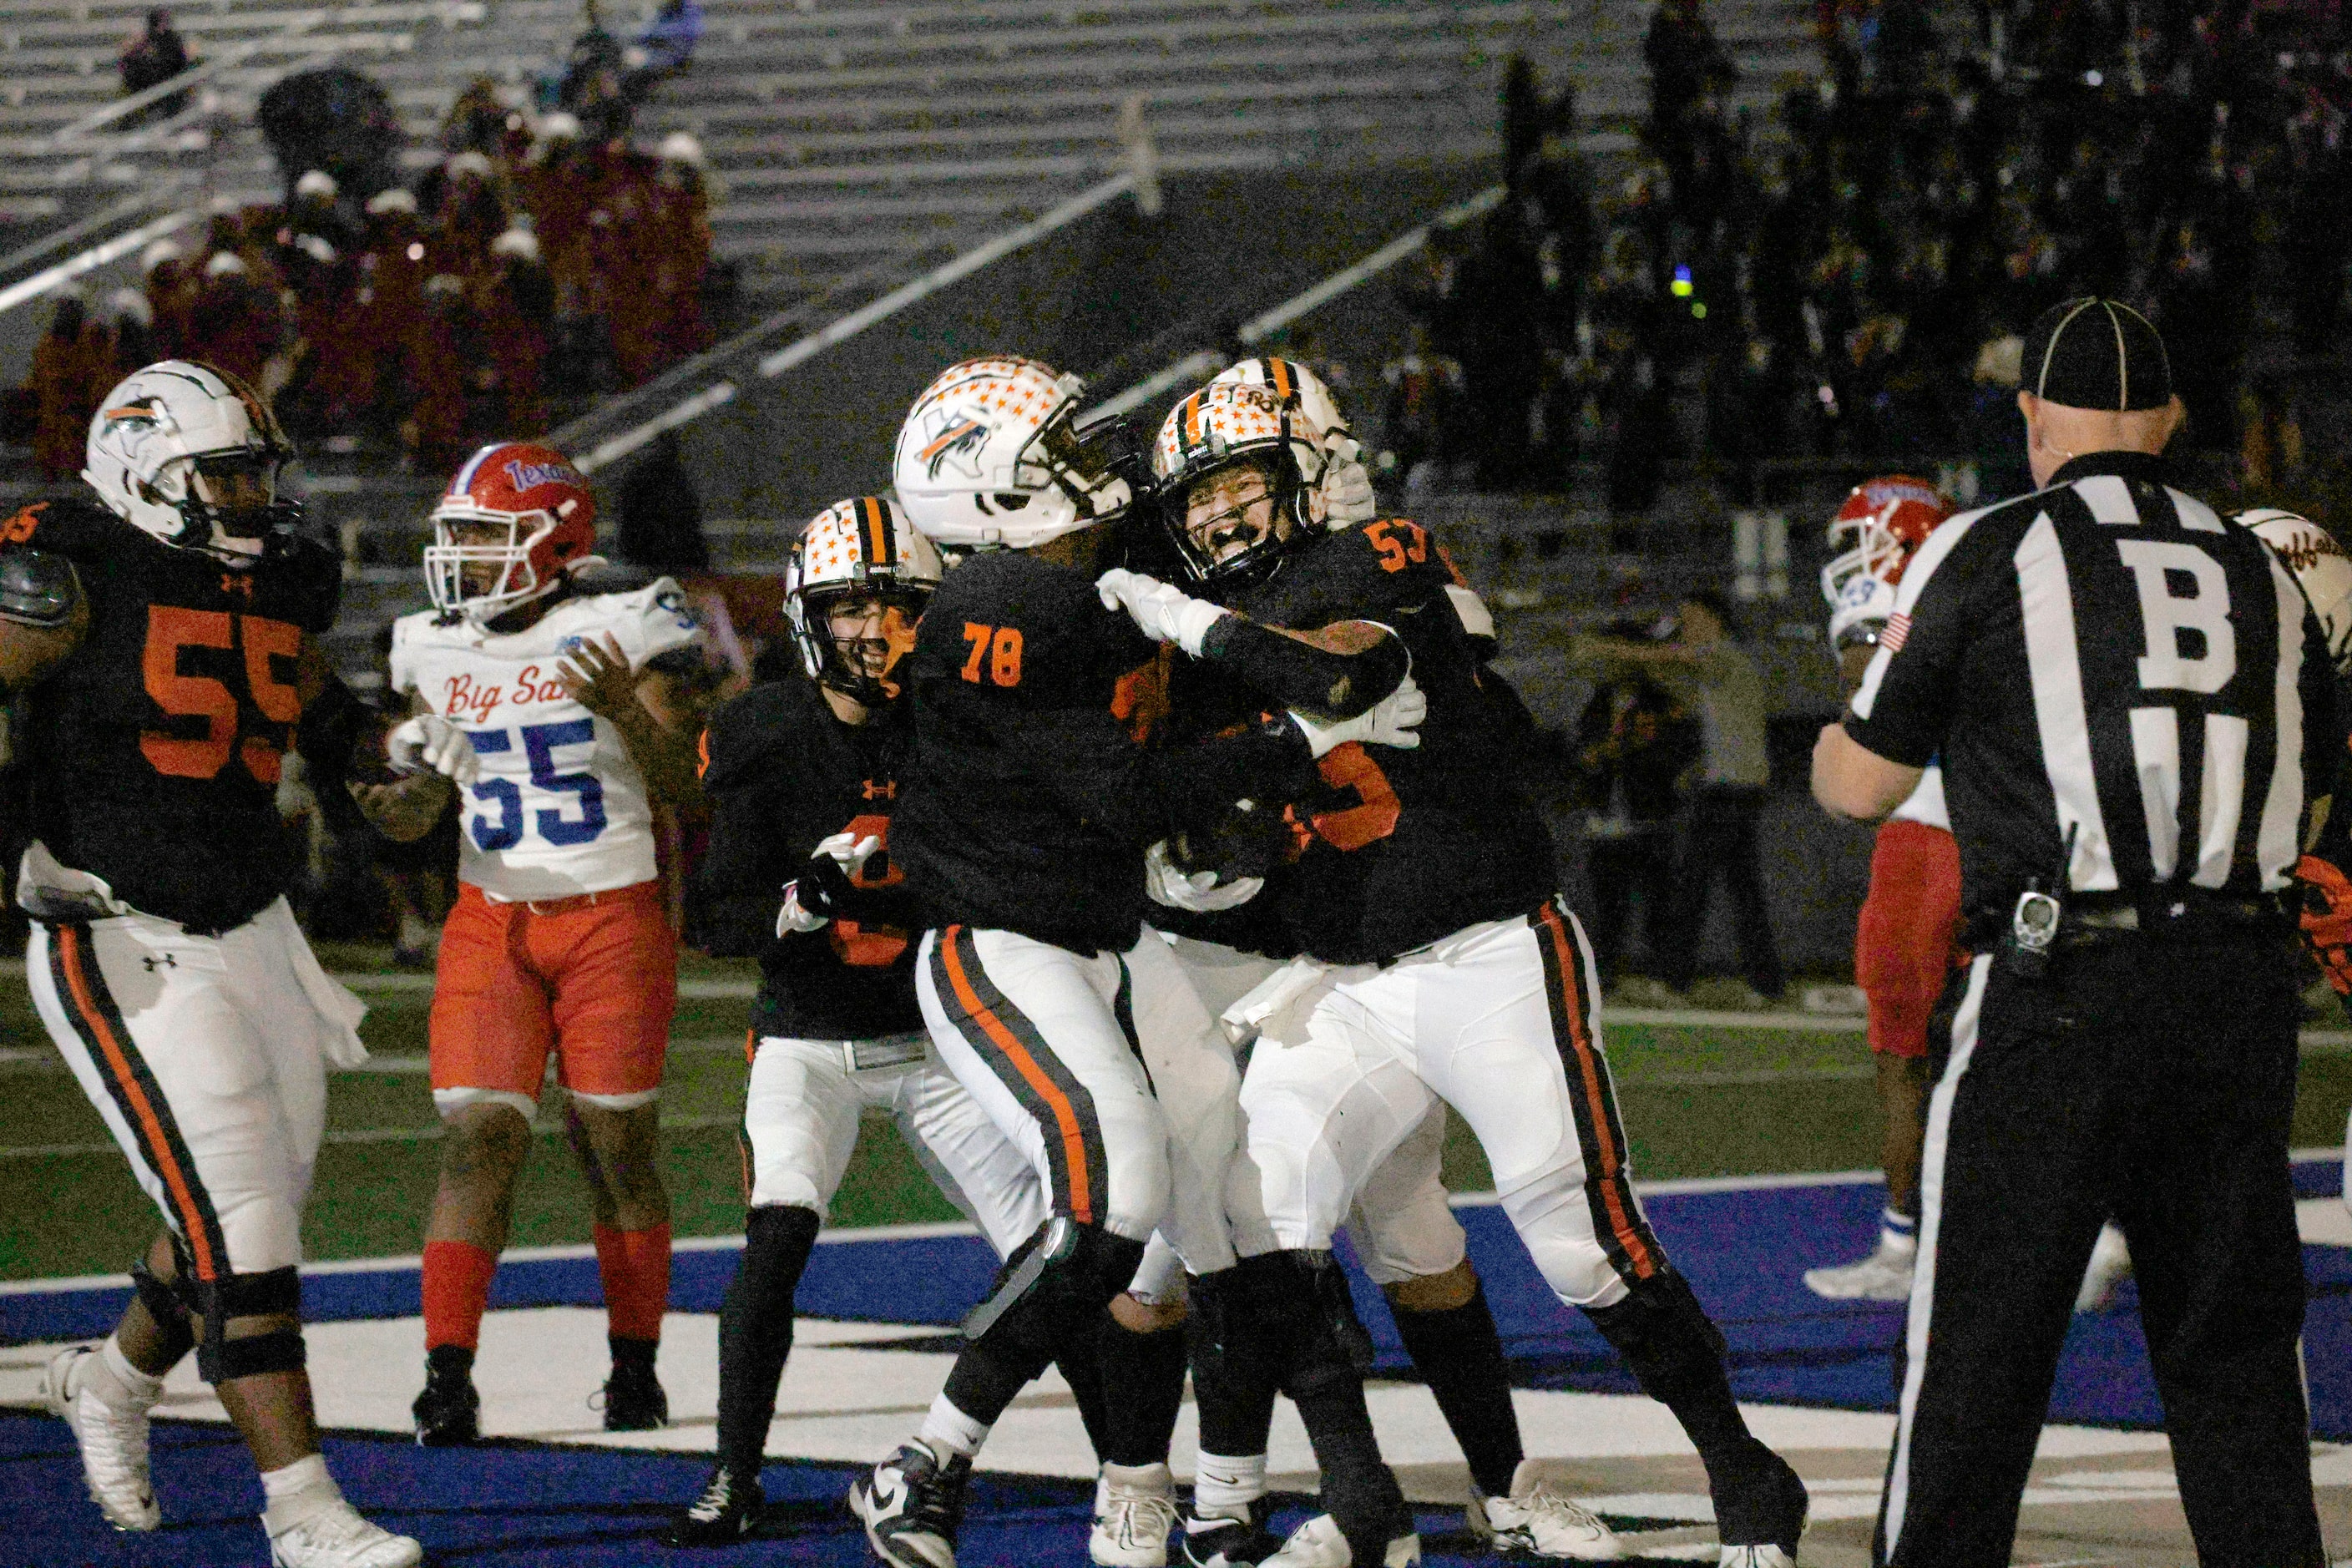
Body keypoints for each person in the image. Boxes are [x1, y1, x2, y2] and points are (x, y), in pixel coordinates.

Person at [1098, 374, 1808, 1567]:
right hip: (1342, 976)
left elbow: (1338, 677)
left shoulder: (1367, 556)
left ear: (1299, 474)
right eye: (1196, 497)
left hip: (1490, 949)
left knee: (1579, 1241)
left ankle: (1748, 1471)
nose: (1217, 515)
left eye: (1236, 481)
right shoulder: (1203, 645)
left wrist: (1178, 621)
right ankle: (1362, 1502)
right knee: (1257, 1215)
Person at [847, 356, 1421, 1568]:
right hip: (1002, 943)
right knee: (1118, 1195)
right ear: (995, 500)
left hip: (1114, 936)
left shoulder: (1099, 564)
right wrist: (1293, 734)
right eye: (1056, 450)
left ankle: (1220, 1502)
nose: (1093, 461)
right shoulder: (990, 611)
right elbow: (1126, 798)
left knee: (1238, 1195)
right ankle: (924, 1460)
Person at [1813, 297, 2333, 1565]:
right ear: (2168, 424)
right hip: (2237, 990)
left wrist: (1862, 734)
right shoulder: (2265, 565)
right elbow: (2309, 797)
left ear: (2032, 421)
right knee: (2239, 1372)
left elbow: (1861, 785)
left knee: (1972, 1366)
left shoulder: (1991, 548)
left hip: (2060, 987)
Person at [1136, 360, 1632, 1565]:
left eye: (1327, 437)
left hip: (1340, 951)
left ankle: (1488, 1479)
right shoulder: (1181, 607)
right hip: (1204, 944)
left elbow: (1488, 712)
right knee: (1165, 1249)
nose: (1340, 453)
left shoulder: (1380, 566)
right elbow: (1152, 778)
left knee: (1404, 1226)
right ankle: (1163, 1478)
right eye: (1318, 434)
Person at [11, 361, 420, 1566]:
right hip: (123, 931)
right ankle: (301, 1507)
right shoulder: (73, 563)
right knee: (241, 1219)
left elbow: (295, 685)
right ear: (143, 474)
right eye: (225, 477)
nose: (252, 500)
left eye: (256, 474)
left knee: (237, 1215)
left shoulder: (277, 576)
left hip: (257, 924)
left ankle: (112, 1377)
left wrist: (377, 775)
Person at [668, 497, 1119, 1546]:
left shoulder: (954, 719)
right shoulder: (763, 730)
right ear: (807, 614)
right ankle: (734, 1477)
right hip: (807, 1038)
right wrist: (801, 898)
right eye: (851, 606)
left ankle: (1127, 1471)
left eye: (896, 605)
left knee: (1061, 1248)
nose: (875, 628)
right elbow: (720, 918)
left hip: (936, 1037)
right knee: (777, 1236)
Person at [358, 442, 711, 1446]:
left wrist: (617, 713)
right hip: (490, 916)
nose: (464, 559)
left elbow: (688, 789)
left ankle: (635, 1364)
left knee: (616, 1148)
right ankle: (445, 1375)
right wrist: (405, 799)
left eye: (486, 537)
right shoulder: (429, 643)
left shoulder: (624, 625)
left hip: (611, 914)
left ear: (554, 541)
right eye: (459, 537)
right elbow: (410, 810)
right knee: (479, 1135)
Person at [1803, 477, 1960, 1301]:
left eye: (1858, 540)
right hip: (2000, 840)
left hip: (1922, 840)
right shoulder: (1983, 591)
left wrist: (1864, 630)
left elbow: (1867, 717)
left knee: (1903, 1062)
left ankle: (1903, 1249)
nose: (1847, 560)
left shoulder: (1896, 613)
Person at [1583, 591, 1784, 1004]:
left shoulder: (1725, 655)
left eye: (1692, 619)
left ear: (1715, 620)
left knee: (1695, 885)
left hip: (1730, 794)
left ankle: (1676, 980)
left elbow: (1672, 662)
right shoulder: (1720, 669)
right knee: (1736, 889)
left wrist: (1609, 648)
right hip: (1731, 791)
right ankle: (1762, 982)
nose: (1685, 629)